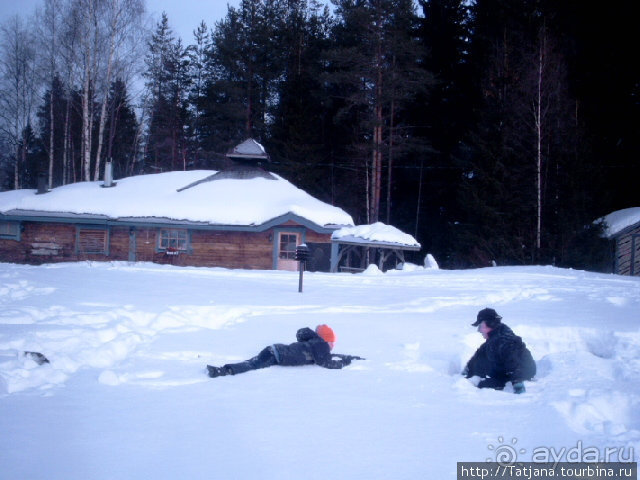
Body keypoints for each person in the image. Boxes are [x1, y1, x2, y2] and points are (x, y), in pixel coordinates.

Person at [206, 324, 364, 378]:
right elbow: (326, 362)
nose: (331, 348)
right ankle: (222, 372)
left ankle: (223, 370)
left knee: (252, 362)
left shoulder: (315, 344)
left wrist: (347, 356)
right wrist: (345, 363)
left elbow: (325, 355)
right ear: (325, 341)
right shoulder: (320, 347)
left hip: (275, 350)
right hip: (278, 355)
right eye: (331, 344)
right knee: (253, 365)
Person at [462, 308, 536, 393]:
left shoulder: (505, 341)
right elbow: (481, 354)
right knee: (483, 377)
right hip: (506, 370)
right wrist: (468, 369)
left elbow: (514, 361)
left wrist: (517, 383)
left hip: (522, 372)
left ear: (491, 324)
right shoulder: (494, 338)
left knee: (484, 385)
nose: (479, 330)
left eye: (481, 326)